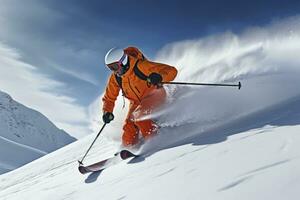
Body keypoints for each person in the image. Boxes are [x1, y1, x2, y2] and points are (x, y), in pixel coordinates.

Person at [102, 47, 177, 147]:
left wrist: (160, 77)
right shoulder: (115, 78)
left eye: (115, 67)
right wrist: (107, 111)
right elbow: (109, 97)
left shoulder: (141, 66)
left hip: (154, 94)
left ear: (123, 61)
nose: (114, 71)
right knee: (128, 126)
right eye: (110, 68)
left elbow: (171, 71)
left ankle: (155, 142)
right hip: (136, 103)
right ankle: (128, 148)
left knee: (140, 117)